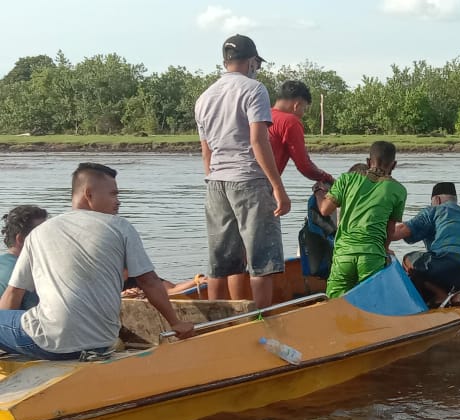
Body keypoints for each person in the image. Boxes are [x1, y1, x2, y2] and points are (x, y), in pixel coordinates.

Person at [0, 163, 193, 361]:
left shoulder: (39, 233)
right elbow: (149, 280)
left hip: (50, 342)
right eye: (113, 194)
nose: (118, 202)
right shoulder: (121, 227)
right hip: (103, 342)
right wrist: (175, 323)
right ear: (89, 194)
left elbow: (14, 292)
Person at [195, 33, 290, 309]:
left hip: (215, 182)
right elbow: (258, 141)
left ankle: (216, 323)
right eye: (256, 64)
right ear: (250, 62)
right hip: (248, 179)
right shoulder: (253, 89)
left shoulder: (204, 98)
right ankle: (262, 319)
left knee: (221, 260)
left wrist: (214, 178)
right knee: (262, 257)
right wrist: (277, 187)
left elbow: (206, 152)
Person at [320, 141, 407, 298]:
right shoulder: (398, 190)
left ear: (368, 162)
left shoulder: (347, 179)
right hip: (372, 256)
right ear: (393, 165)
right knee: (371, 302)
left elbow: (325, 210)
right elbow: (390, 228)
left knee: (334, 304)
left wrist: (319, 191)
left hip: (344, 255)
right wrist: (385, 249)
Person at [391, 182, 460, 307]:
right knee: (453, 261)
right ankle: (456, 298)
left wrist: (375, 236)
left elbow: (401, 230)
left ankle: (440, 295)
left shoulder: (434, 211)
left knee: (409, 259)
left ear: (436, 200)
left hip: (448, 265)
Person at [269, 80, 335, 185]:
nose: (303, 114)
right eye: (304, 108)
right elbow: (304, 166)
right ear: (297, 104)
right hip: (260, 185)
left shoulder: (259, 115)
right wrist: (328, 178)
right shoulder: (290, 121)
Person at [0, 206, 47, 310]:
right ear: (21, 239)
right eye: (43, 234)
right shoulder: (28, 274)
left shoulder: (2, 262)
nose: (49, 239)